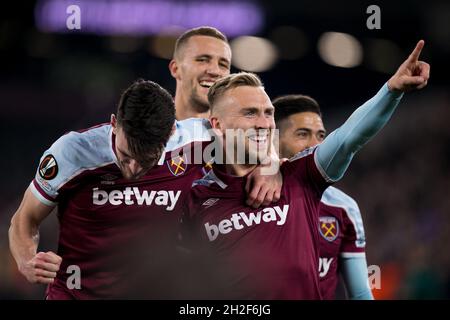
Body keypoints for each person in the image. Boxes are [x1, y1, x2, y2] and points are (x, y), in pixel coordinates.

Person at [181, 40, 430, 299]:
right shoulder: (193, 198)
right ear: (217, 124)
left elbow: (348, 139)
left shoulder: (299, 177)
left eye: (268, 113)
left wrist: (391, 91)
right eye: (250, 113)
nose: (264, 123)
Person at [8, 79, 281, 299]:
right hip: (75, 294)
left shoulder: (196, 140)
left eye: (148, 160)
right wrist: (26, 261)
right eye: (126, 156)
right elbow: (24, 218)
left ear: (172, 132)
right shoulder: (73, 153)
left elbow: (259, 131)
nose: (134, 169)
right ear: (115, 123)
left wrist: (269, 167)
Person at [273, 94, 373, 299]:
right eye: (302, 134)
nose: (315, 145)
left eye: (321, 136)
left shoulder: (344, 209)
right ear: (272, 140)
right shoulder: (247, 201)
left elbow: (361, 293)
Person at [169, 26, 232, 120]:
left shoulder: (237, 132)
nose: (215, 71)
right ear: (176, 69)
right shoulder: (145, 130)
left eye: (222, 64)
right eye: (203, 60)